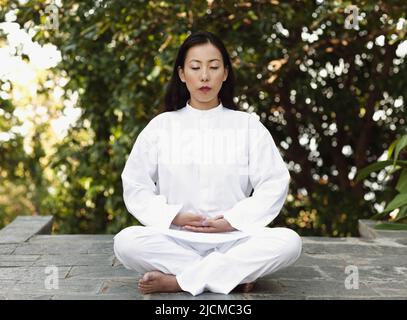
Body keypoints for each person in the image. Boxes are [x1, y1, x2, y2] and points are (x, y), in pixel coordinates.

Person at [113, 31, 302, 296]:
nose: (204, 76)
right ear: (182, 74)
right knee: (126, 242)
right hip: (177, 238)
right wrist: (174, 216)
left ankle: (179, 281)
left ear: (225, 73)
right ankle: (229, 276)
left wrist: (232, 221)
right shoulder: (161, 126)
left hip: (234, 238)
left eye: (213, 67)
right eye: (195, 67)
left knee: (289, 242)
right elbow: (135, 185)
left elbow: (273, 183)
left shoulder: (247, 126)